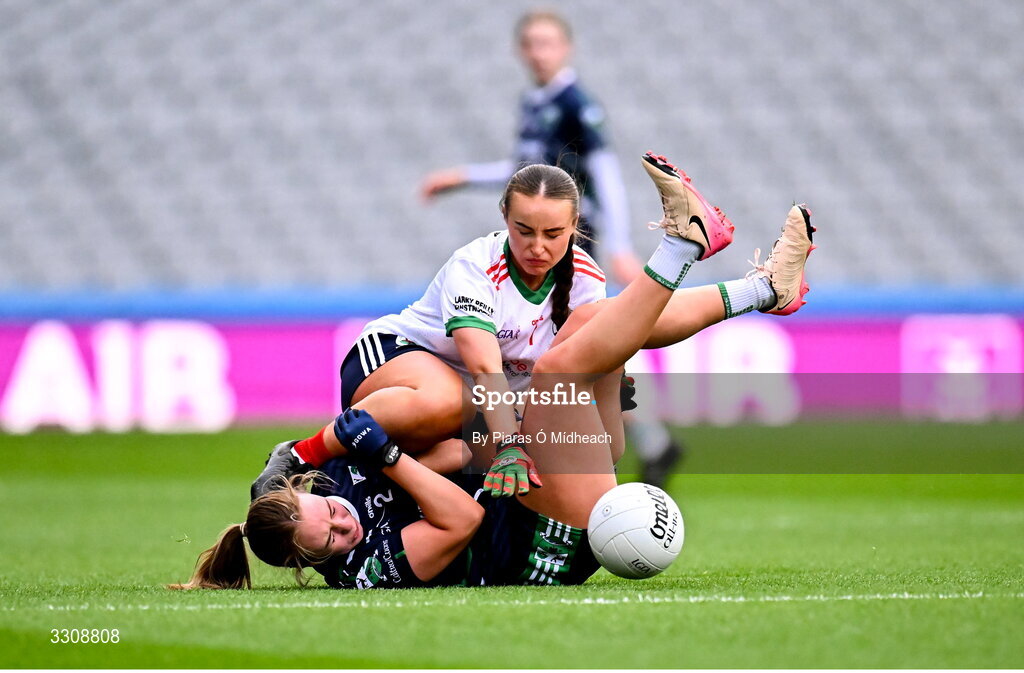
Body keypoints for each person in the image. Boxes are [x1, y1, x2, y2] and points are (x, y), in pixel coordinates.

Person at [172, 152, 815, 590]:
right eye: (524, 231)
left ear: (572, 231)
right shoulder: (363, 567)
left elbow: (443, 447)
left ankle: (763, 289)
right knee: (544, 371)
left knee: (597, 334)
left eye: (554, 235)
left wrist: (580, 393)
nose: (347, 523)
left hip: (523, 453)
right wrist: (440, 453)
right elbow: (465, 480)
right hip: (508, 492)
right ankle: (682, 246)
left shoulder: (579, 276)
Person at [420, 9, 687, 486]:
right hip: (546, 240)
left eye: (548, 43)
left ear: (566, 49)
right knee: (565, 353)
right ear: (521, 51)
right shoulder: (536, 102)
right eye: (531, 44)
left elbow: (604, 173)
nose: (539, 52)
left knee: (582, 349)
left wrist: (620, 242)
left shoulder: (574, 102)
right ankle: (650, 442)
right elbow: (524, 171)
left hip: (571, 244)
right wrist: (461, 177)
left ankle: (637, 442)